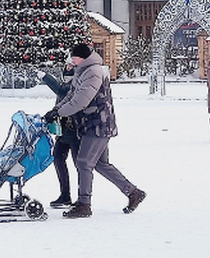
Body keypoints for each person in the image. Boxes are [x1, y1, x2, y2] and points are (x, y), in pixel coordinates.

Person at [43, 43, 145, 219]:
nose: (71, 60)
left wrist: (59, 112)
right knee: (100, 164)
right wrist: (56, 109)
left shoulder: (94, 72)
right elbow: (71, 95)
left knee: (83, 162)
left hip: (98, 124)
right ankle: (133, 192)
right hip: (91, 124)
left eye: (74, 57)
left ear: (82, 57)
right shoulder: (82, 70)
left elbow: (81, 100)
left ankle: (84, 204)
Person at [40, 61, 80, 208]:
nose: (68, 67)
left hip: (75, 131)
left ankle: (83, 198)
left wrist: (45, 76)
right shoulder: (67, 82)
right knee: (58, 159)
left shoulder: (75, 84)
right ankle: (65, 195)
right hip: (63, 131)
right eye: (67, 65)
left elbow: (60, 90)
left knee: (79, 165)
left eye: (71, 66)